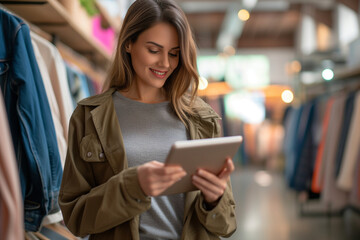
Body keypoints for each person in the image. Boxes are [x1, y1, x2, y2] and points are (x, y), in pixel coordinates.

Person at [58, 0, 237, 239]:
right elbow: (74, 218)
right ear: (129, 43)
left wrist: (214, 200)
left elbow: (226, 226)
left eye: (174, 54)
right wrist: (133, 186)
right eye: (154, 50)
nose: (165, 63)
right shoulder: (89, 116)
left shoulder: (202, 119)